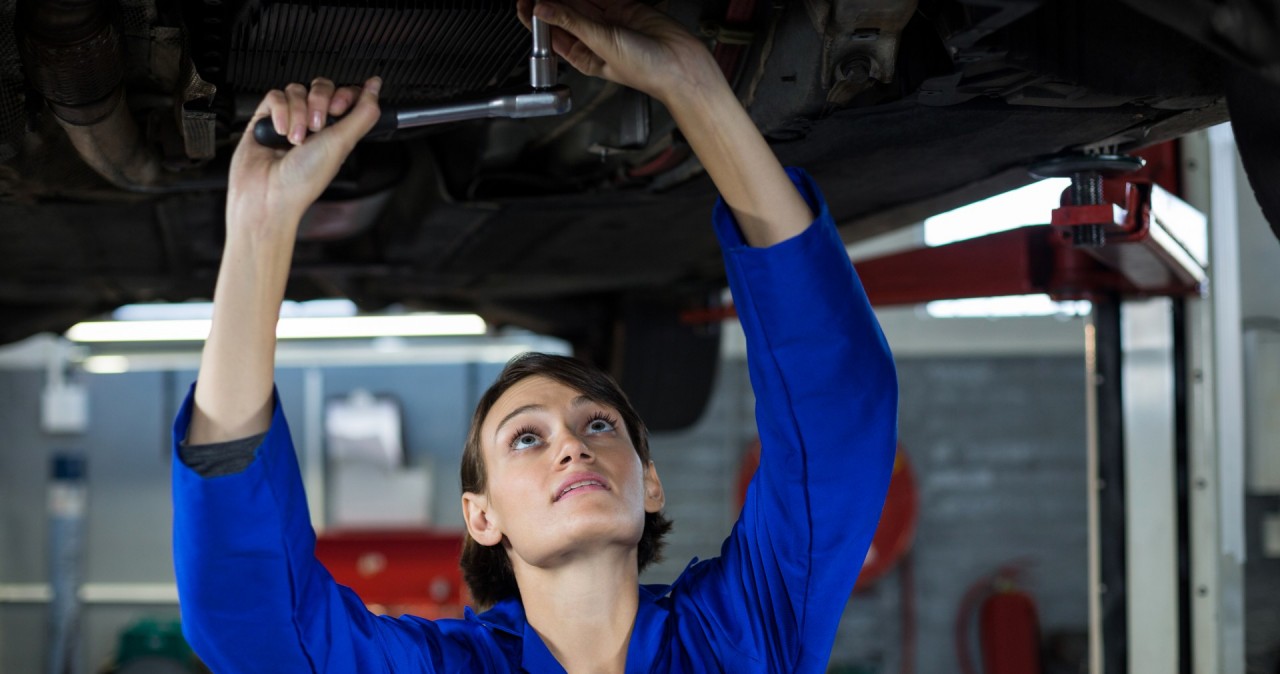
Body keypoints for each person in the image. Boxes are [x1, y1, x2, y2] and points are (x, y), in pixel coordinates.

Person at [171, 0, 899, 671]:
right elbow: (255, 620)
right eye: (527, 437)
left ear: (649, 482)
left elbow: (835, 425)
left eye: (600, 425)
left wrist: (694, 86)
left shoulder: (741, 637)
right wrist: (259, 229)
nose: (572, 444)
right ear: (481, 517)